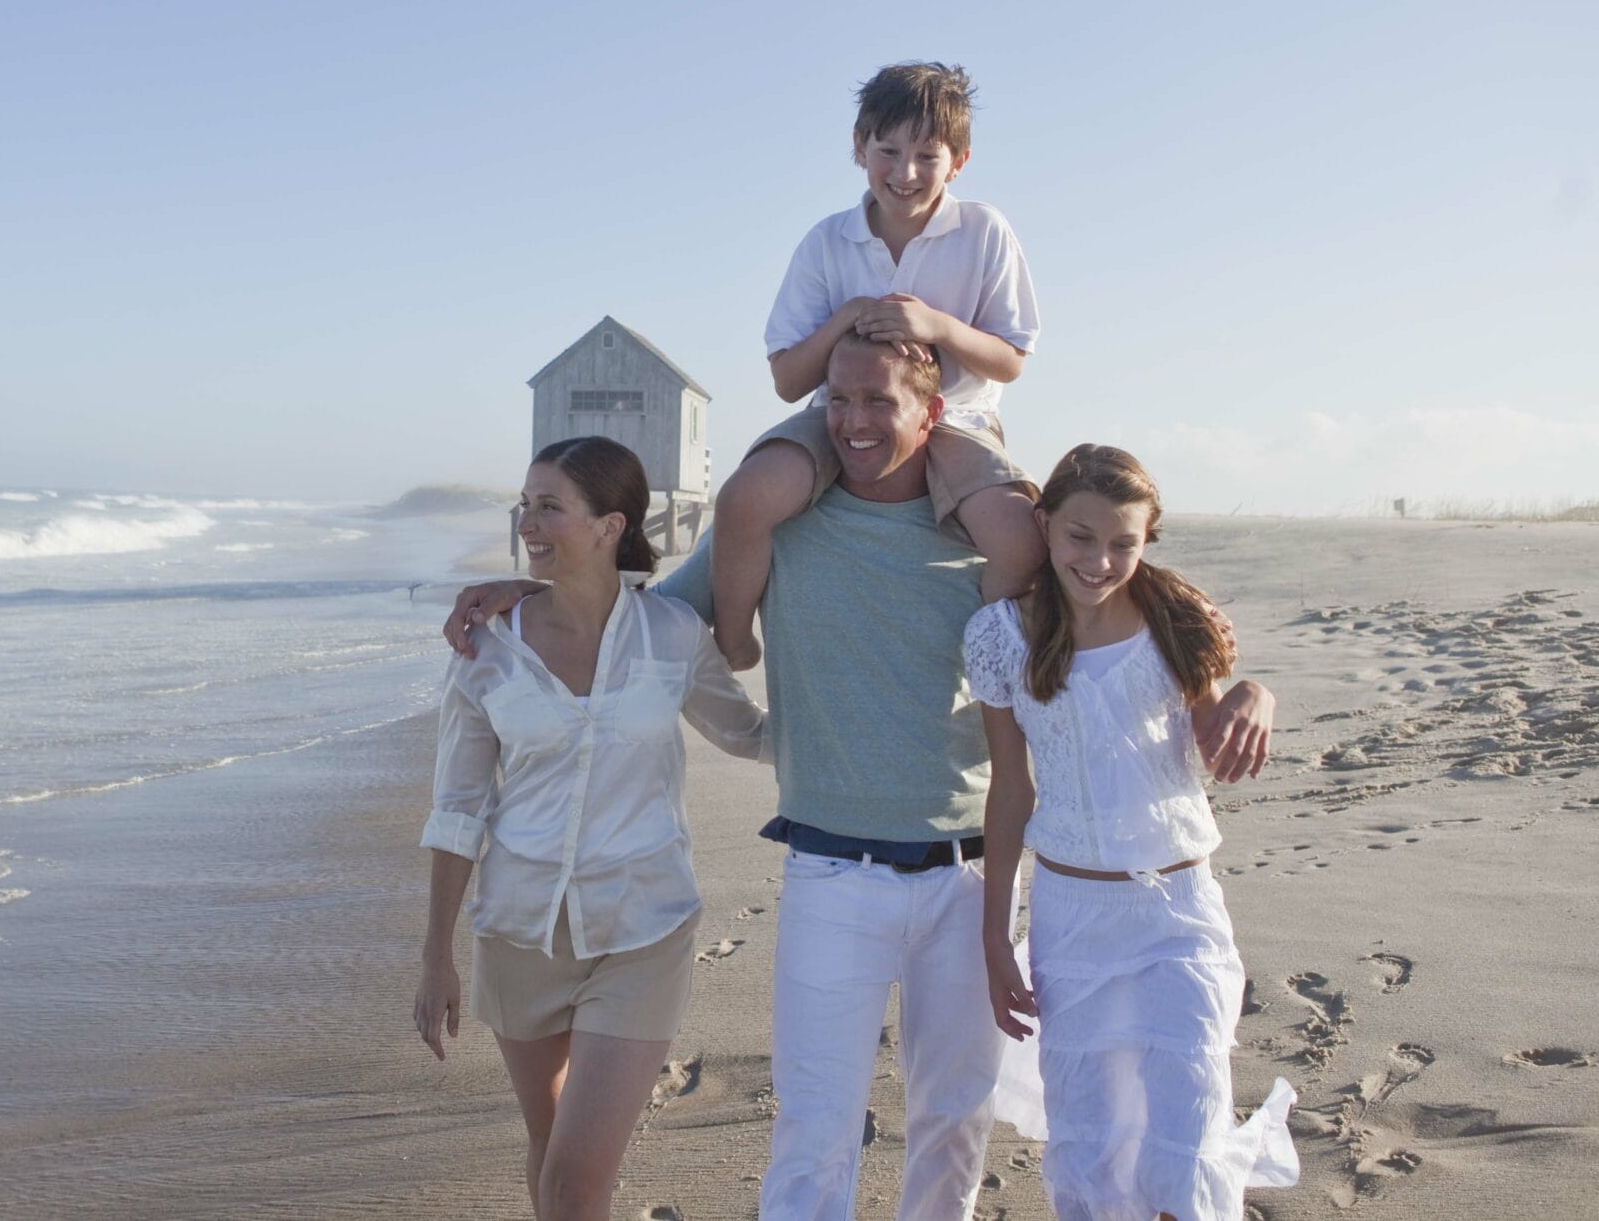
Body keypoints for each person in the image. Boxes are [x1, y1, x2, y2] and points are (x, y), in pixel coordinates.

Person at [447, 337, 1279, 1221]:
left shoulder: (995, 550)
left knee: (952, 1121)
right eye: (836, 402)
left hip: (965, 878)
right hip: (828, 872)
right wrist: (530, 587)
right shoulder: (776, 530)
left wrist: (1250, 687)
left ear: (933, 416)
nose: (852, 421)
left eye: (879, 402)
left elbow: (1117, 593)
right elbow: (636, 616)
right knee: (814, 1128)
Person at [415, 435, 771, 1221]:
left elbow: (749, 733)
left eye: (550, 506)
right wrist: (437, 953)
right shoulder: (484, 649)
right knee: (550, 1152)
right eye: (524, 503)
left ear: (611, 525)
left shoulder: (672, 632)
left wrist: (868, 736)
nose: (529, 522)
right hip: (520, 934)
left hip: (642, 931)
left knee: (577, 1175)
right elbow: (459, 807)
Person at [969, 443, 1298, 1221]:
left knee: (1185, 1140)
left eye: (1124, 541)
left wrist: (1255, 693)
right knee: (1089, 1150)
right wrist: (994, 938)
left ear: (1148, 539)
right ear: (1045, 526)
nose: (1101, 559)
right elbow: (1009, 793)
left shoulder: (1173, 621)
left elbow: (1218, 734)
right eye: (1081, 536)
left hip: (1178, 914)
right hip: (1070, 920)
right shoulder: (1002, 636)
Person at [710, 62, 1045, 672]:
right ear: (859, 147)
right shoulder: (827, 241)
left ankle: (982, 653)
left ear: (959, 161)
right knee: (742, 499)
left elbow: (1011, 360)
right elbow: (788, 382)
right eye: (887, 150)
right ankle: (734, 639)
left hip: (957, 418)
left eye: (927, 155)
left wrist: (936, 326)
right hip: (839, 414)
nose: (906, 172)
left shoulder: (984, 230)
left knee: (1021, 538)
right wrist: (850, 317)